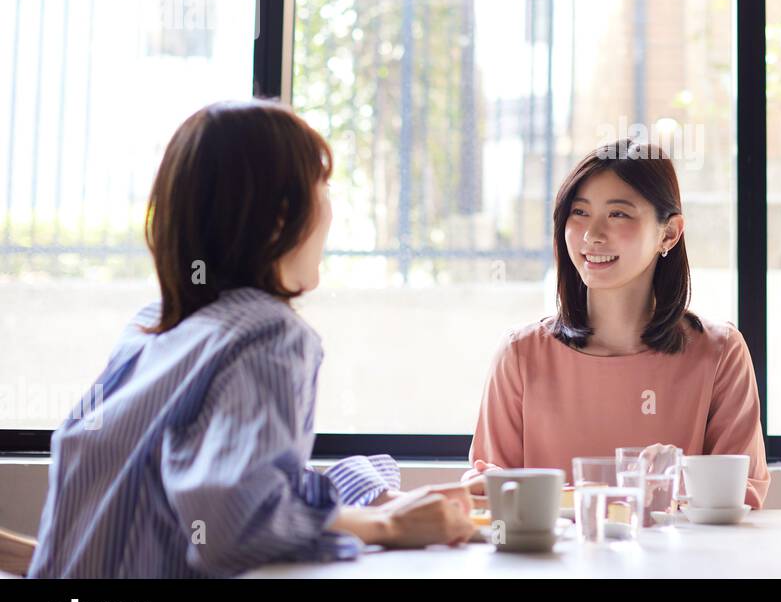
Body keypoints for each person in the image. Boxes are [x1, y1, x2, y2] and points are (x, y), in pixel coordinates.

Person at [30, 99, 474, 578]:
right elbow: (235, 528)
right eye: (322, 186)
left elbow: (208, 485)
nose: (330, 210)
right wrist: (386, 524)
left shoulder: (152, 331)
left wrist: (363, 491)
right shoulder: (269, 333)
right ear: (282, 215)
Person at [463, 140, 769, 509]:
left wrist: (675, 476)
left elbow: (743, 494)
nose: (592, 234)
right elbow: (495, 501)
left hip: (678, 566)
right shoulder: (520, 354)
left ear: (669, 234)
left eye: (618, 214)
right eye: (579, 212)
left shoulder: (719, 352)